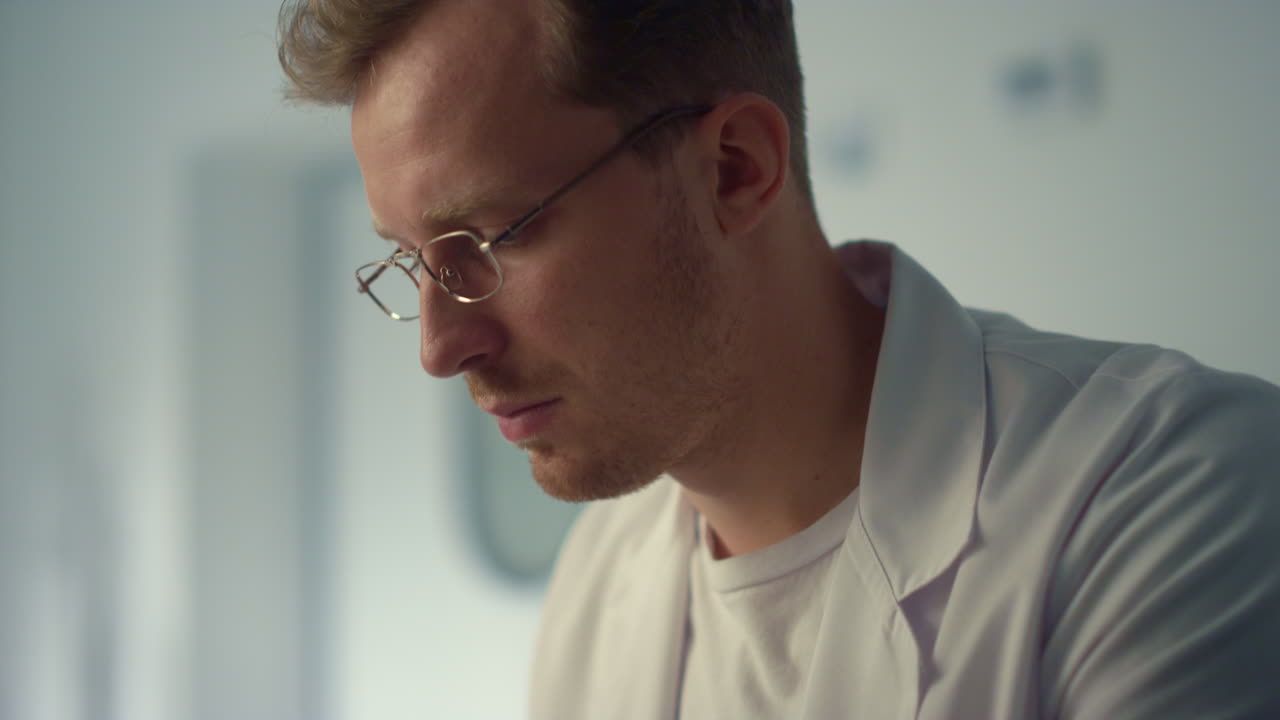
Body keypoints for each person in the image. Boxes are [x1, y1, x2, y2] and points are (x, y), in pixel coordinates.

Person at [276, 1, 1280, 717]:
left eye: (488, 243)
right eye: (411, 263)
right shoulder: (598, 587)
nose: (441, 348)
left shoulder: (1168, 496)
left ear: (732, 171)